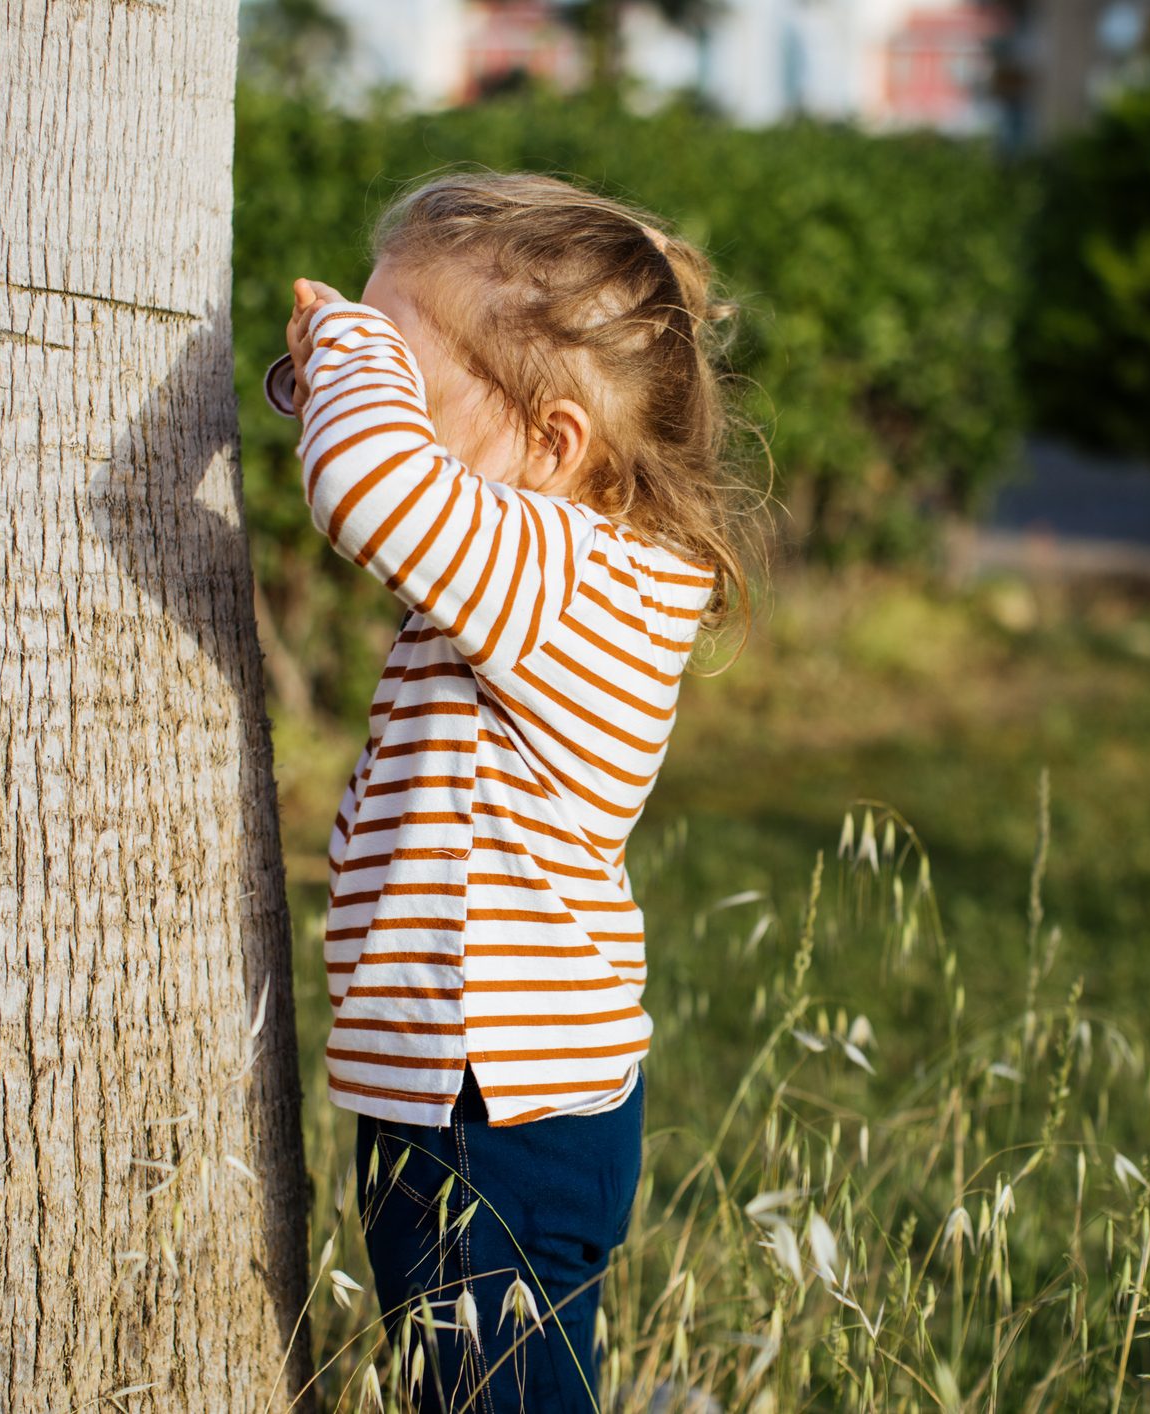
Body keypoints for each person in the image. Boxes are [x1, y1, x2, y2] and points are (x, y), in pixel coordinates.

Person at [268, 172, 747, 1410]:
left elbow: (367, 491)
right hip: (479, 1099)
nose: (354, 401)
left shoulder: (564, 567)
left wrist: (343, 340)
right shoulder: (541, 570)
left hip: (500, 1112)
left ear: (551, 444)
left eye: (399, 384)